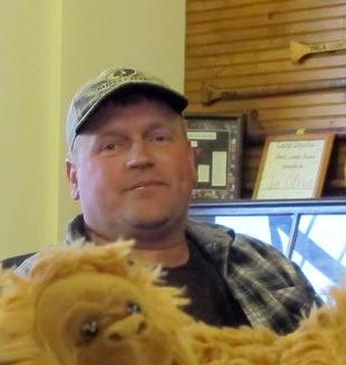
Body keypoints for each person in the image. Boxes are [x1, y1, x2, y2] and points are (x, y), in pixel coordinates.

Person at [19, 67, 320, 333]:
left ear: (191, 160)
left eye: (159, 138)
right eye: (111, 145)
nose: (140, 158)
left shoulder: (269, 267)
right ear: (73, 178)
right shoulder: (27, 300)